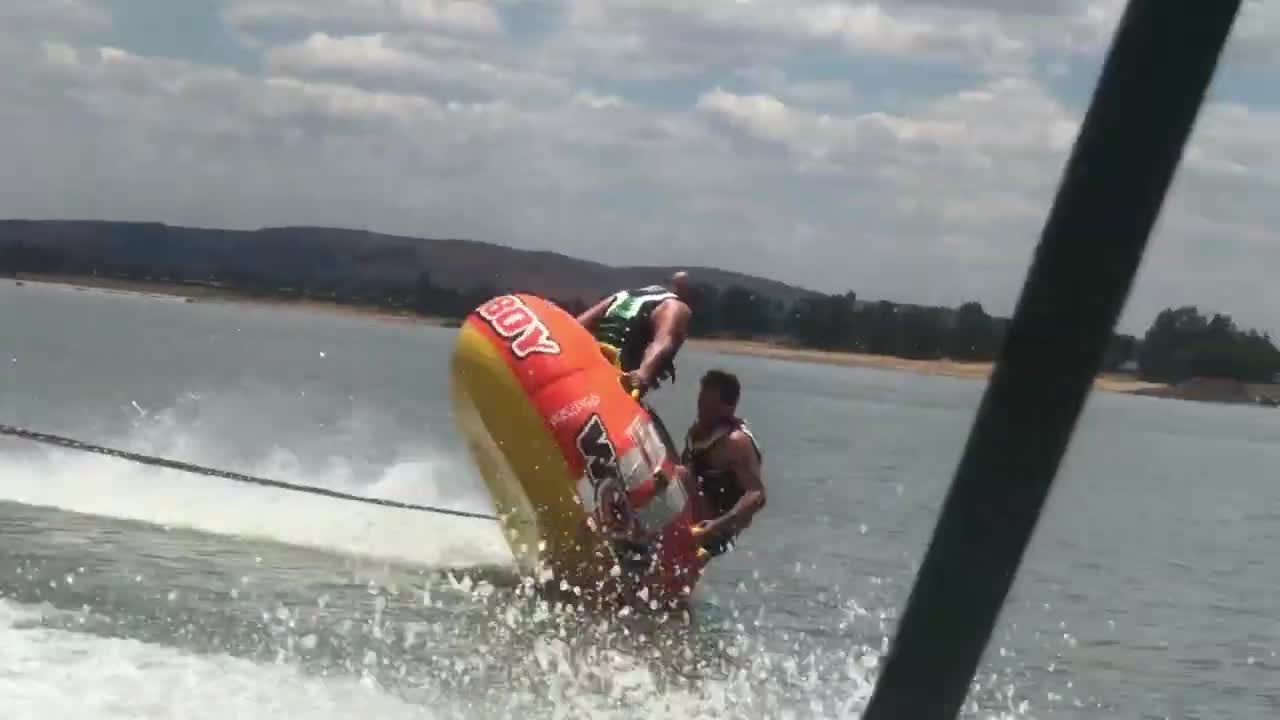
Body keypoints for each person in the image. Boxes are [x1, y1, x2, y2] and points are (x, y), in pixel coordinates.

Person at [679, 369, 766, 559]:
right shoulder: (697, 433)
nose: (702, 412)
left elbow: (757, 495)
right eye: (701, 404)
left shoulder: (735, 443)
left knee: (680, 475)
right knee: (675, 473)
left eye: (710, 407)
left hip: (716, 529)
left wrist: (715, 526)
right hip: (693, 509)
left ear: (730, 408)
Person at [576, 272, 693, 398]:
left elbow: (576, 325)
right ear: (685, 291)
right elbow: (663, 343)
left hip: (587, 369)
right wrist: (642, 375)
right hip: (619, 380)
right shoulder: (675, 305)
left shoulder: (621, 296)